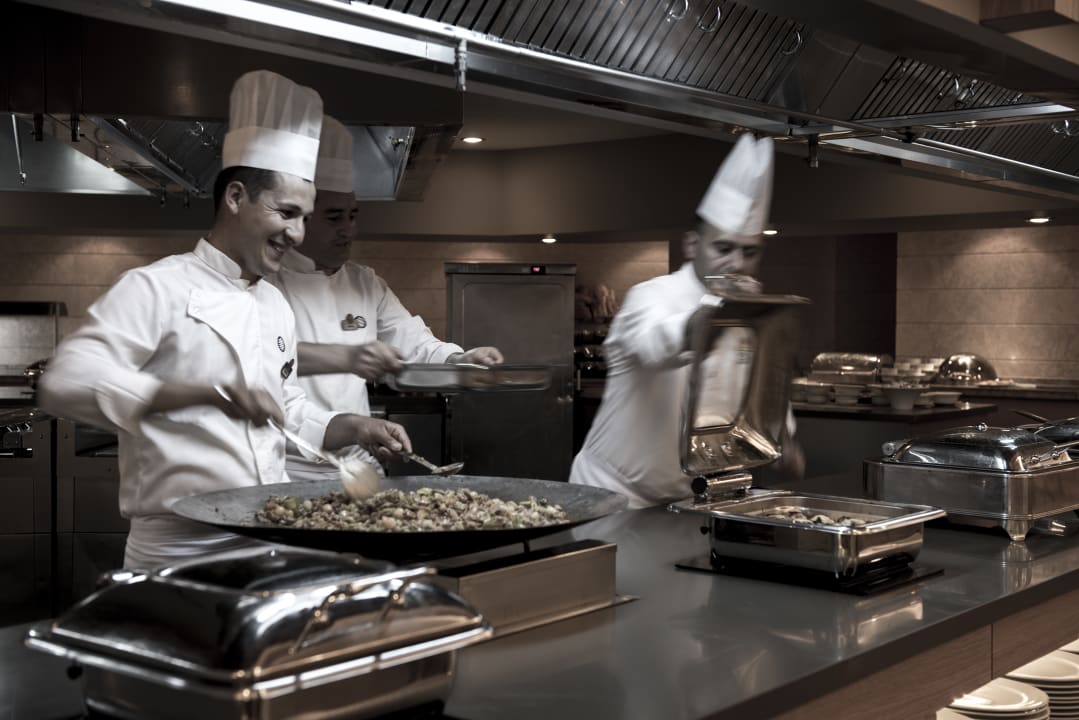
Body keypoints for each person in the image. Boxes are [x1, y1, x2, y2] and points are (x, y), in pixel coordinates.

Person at [37, 71, 411, 568]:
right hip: (177, 552)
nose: (298, 234)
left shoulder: (273, 303)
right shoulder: (156, 287)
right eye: (286, 212)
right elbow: (65, 383)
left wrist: (355, 426)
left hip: (266, 538)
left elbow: (287, 409)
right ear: (236, 198)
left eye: (304, 218)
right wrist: (196, 393)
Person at [569, 133, 804, 509]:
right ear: (692, 245)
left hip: (687, 500)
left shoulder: (754, 314)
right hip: (612, 495)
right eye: (723, 248)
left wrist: (782, 440)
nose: (737, 263)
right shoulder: (651, 296)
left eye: (749, 252)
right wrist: (710, 320)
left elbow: (764, 394)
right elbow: (653, 344)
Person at [269, 115, 502, 481]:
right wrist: (349, 356)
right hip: (290, 467)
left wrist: (458, 359)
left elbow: (414, 342)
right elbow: (264, 360)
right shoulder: (267, 283)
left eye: (352, 216)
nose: (348, 230)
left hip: (359, 464)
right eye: (334, 218)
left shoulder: (365, 282)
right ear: (301, 220)